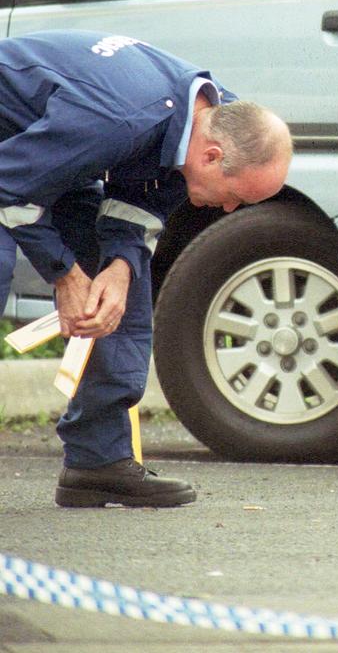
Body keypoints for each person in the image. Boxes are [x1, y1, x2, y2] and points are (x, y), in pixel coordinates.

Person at [0, 30, 292, 508]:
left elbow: (141, 203)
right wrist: (64, 275)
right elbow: (8, 186)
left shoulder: (217, 120)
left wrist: (117, 267)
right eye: (236, 196)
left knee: (121, 291)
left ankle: (98, 461)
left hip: (51, 148)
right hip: (18, 153)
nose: (229, 210)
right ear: (212, 158)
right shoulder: (117, 121)